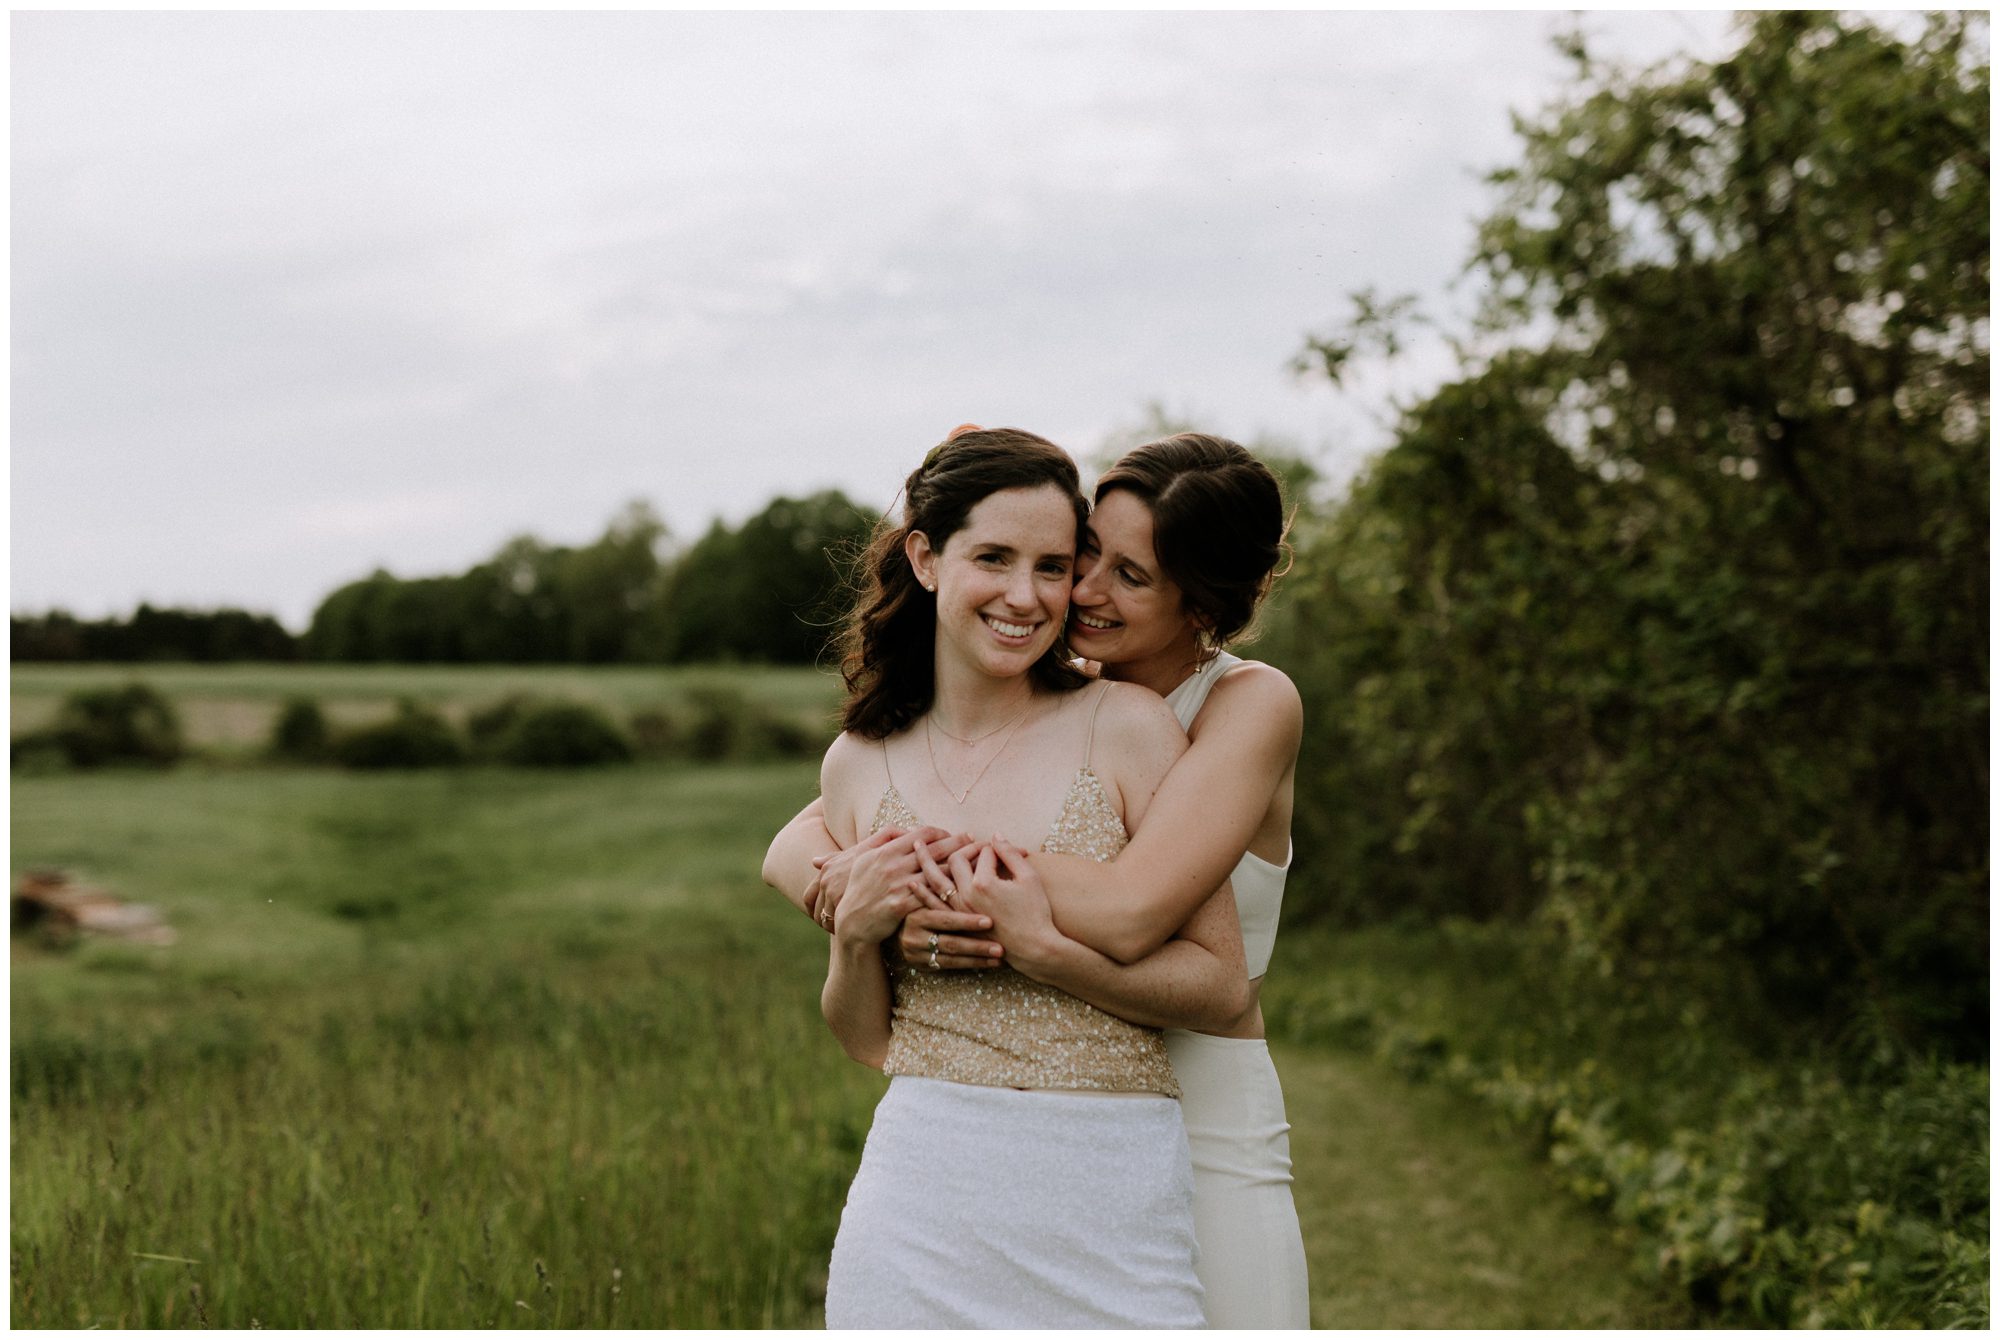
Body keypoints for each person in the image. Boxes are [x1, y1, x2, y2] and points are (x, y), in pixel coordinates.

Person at [766, 431, 1310, 1329]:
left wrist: (919, 864)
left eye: (1130, 577)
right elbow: (802, 833)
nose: (1084, 589)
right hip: (995, 1130)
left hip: (1205, 1095)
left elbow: (1136, 904)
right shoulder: (1054, 687)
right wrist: (858, 900)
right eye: (1089, 553)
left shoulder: (1243, 704)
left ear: (1199, 603)